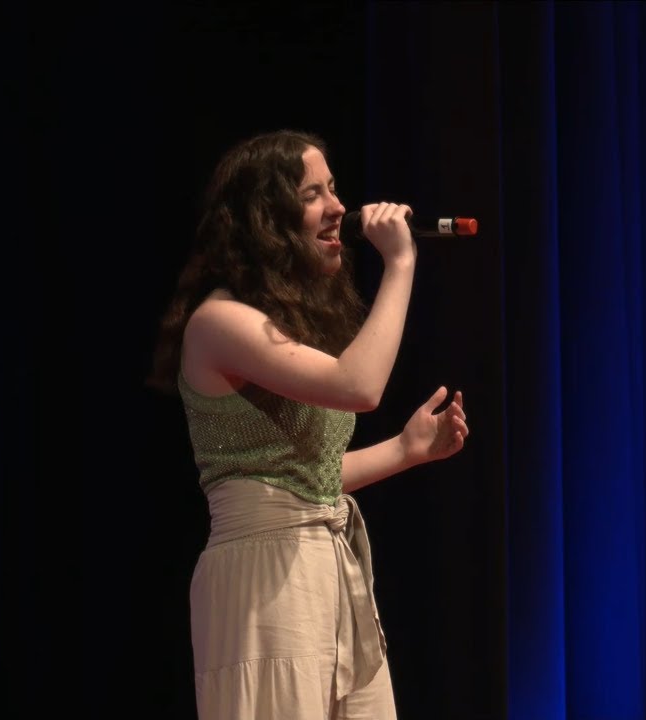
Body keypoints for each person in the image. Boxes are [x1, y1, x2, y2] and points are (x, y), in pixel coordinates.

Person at [148, 129, 469, 719]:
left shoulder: (280, 325)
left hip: (321, 567)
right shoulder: (219, 323)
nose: (339, 207)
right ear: (266, 220)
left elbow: (304, 478)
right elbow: (359, 387)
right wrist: (400, 262)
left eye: (335, 188)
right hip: (261, 577)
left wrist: (405, 449)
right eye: (312, 193)